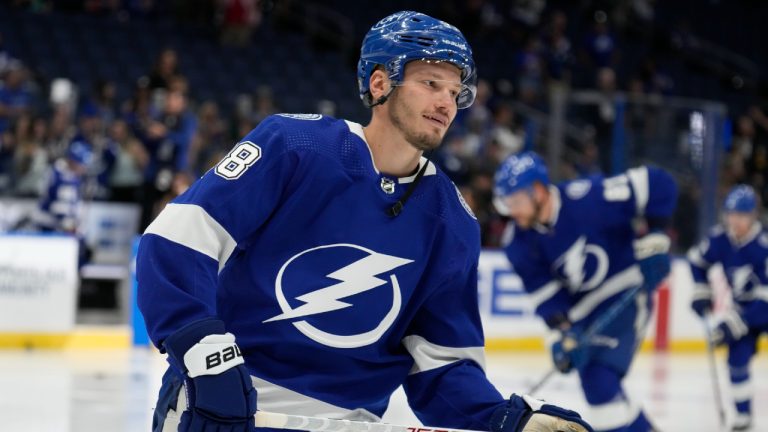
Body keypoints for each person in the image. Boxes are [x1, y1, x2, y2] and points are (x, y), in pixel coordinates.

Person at [137, 10, 593, 432]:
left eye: (456, 93)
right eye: (431, 83)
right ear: (379, 83)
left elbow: (443, 369)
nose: (446, 103)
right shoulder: (294, 145)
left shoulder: (452, 221)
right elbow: (176, 242)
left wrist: (506, 419)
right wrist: (206, 355)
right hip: (224, 405)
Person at [493, 151, 678, 432]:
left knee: (599, 380)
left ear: (538, 191)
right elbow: (548, 298)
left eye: (515, 201)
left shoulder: (589, 197)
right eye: (507, 203)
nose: (511, 211)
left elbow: (660, 183)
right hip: (584, 312)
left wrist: (657, 236)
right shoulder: (517, 243)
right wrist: (562, 334)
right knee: (599, 384)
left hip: (625, 291)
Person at [688, 184, 768, 431]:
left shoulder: (764, 245)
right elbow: (696, 261)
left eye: (741, 215)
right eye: (731, 214)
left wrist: (733, 324)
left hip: (762, 309)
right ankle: (743, 416)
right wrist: (702, 290)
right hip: (745, 311)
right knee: (737, 358)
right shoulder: (720, 239)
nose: (735, 221)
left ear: (753, 215)